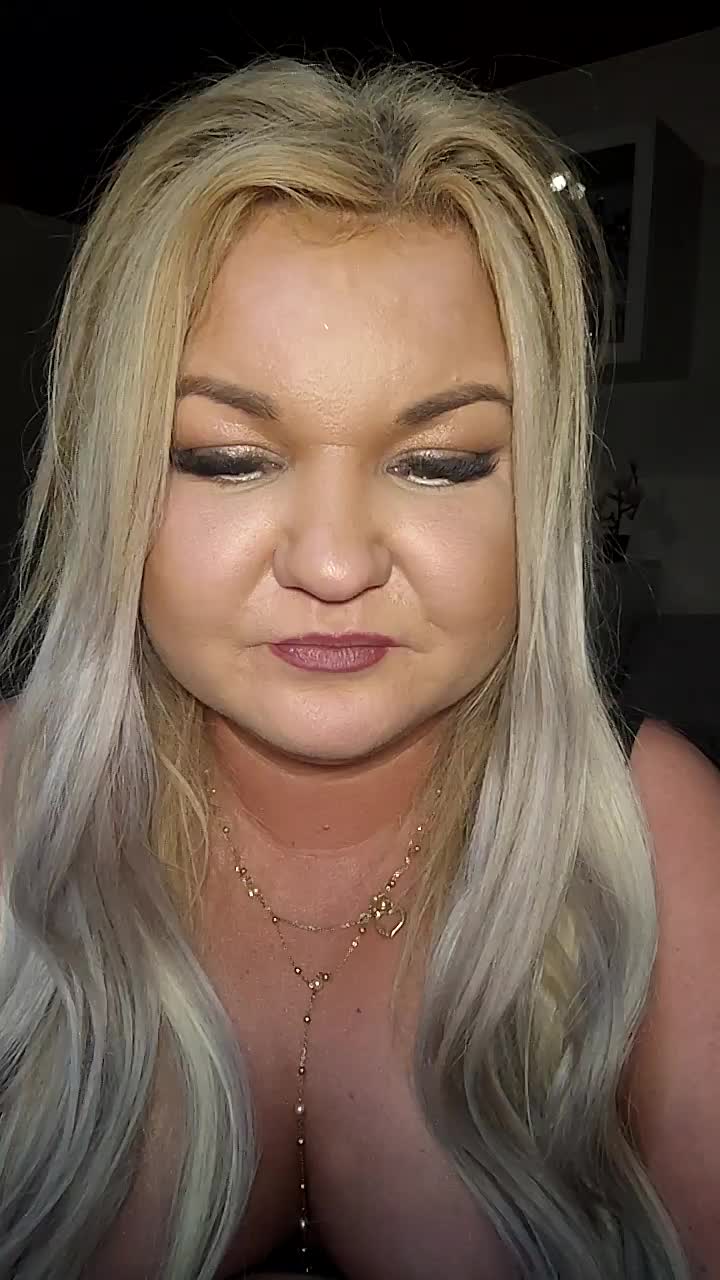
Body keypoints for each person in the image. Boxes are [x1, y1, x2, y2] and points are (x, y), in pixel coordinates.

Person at [0, 54, 718, 1280]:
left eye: (439, 463)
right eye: (227, 456)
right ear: (110, 479)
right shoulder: (13, 804)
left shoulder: (655, 837)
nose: (334, 562)